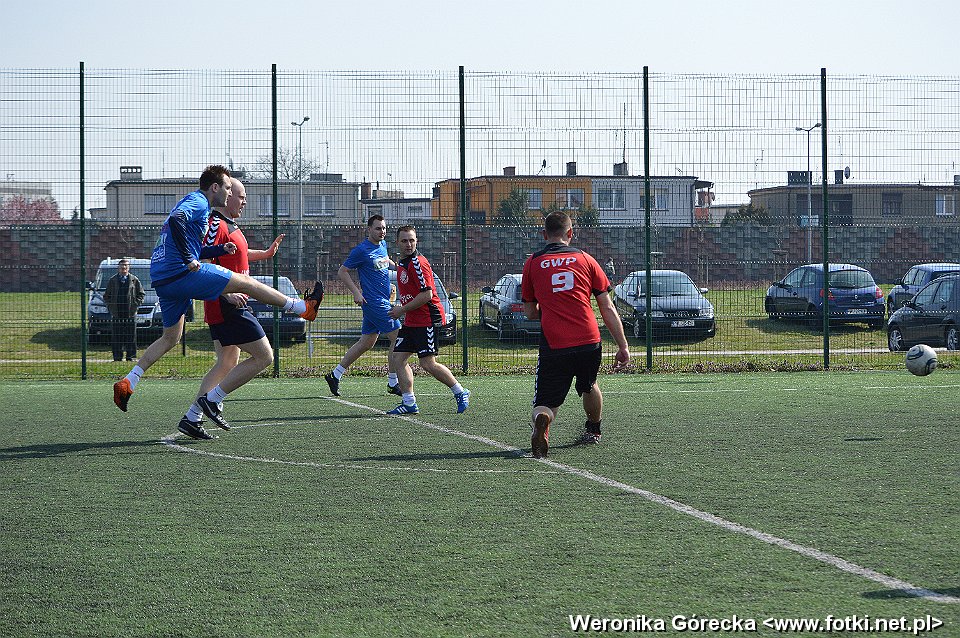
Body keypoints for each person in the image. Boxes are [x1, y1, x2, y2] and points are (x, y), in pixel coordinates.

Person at [113, 165, 323, 419]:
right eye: (227, 188)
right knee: (247, 284)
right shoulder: (199, 202)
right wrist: (190, 259)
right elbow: (178, 219)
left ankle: (129, 381)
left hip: (164, 278)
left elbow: (191, 241)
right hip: (179, 273)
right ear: (215, 187)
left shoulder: (201, 208)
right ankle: (302, 308)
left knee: (171, 337)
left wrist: (218, 251)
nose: (230, 192)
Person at [176, 177, 286, 440]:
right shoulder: (215, 223)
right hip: (227, 305)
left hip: (231, 302)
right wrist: (226, 294)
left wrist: (266, 253)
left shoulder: (231, 225)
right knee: (264, 357)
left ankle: (192, 418)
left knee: (226, 362)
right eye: (241, 196)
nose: (244, 201)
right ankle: (212, 400)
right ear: (227, 196)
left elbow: (238, 254)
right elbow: (203, 260)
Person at [521, 211, 630, 458]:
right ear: (570, 233)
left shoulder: (533, 262)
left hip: (555, 342)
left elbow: (529, 312)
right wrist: (622, 345)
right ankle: (593, 430)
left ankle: (542, 420)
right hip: (589, 339)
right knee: (589, 385)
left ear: (544, 234)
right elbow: (607, 307)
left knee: (546, 402)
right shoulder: (586, 259)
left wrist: (551, 309)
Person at [386, 225, 470, 415]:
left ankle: (460, 391)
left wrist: (401, 309)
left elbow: (427, 295)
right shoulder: (403, 263)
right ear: (397, 242)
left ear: (417, 241)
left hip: (426, 319)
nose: (408, 244)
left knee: (427, 363)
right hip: (412, 320)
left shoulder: (418, 263)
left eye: (412, 240)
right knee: (398, 358)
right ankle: (409, 403)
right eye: (404, 241)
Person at [323, 215, 402, 397]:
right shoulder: (361, 250)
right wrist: (356, 292)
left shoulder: (382, 245)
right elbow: (342, 271)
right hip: (374, 303)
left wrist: (397, 267)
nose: (382, 231)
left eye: (384, 228)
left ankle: (335, 375)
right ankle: (393, 382)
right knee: (398, 338)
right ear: (369, 230)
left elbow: (386, 260)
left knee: (367, 342)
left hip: (383, 300)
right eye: (378, 228)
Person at [103, 258, 145, 362]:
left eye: (126, 266)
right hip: (117, 313)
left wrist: (135, 304)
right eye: (122, 266)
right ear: (118, 268)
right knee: (116, 336)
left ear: (128, 267)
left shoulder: (134, 280)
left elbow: (141, 294)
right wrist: (111, 306)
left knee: (131, 336)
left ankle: (131, 357)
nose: (124, 268)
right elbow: (106, 296)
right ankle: (117, 357)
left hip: (130, 312)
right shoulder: (113, 280)